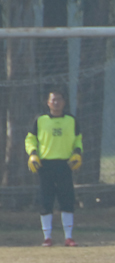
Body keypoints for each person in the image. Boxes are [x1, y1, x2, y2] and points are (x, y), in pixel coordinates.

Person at [25, 89, 83, 247]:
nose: (56, 102)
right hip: (45, 165)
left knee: (67, 200)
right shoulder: (40, 120)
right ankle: (47, 237)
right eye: (53, 100)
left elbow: (78, 139)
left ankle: (68, 237)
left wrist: (77, 152)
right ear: (48, 102)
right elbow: (30, 139)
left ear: (64, 102)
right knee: (46, 200)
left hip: (65, 164)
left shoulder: (71, 120)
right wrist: (33, 154)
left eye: (59, 99)